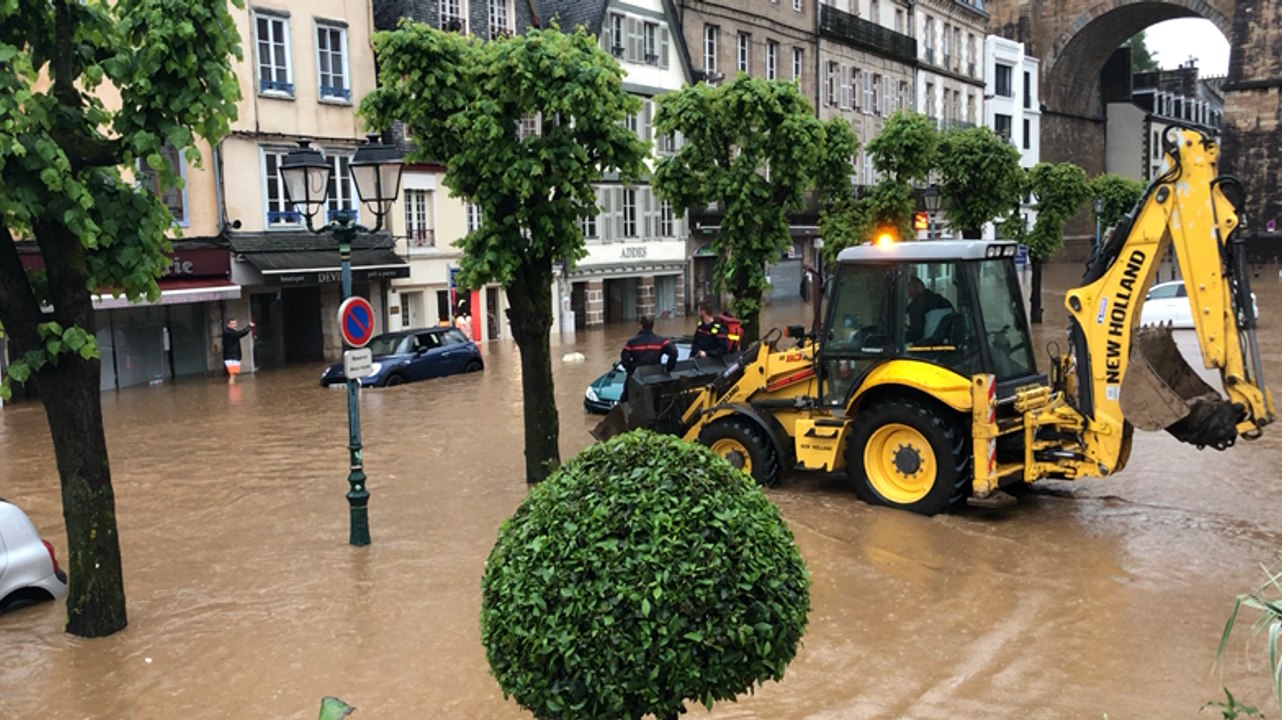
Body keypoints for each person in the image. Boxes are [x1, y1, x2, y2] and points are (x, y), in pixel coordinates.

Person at [620, 315, 678, 402]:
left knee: (626, 401)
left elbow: (624, 359)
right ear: (652, 326)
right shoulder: (661, 341)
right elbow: (674, 353)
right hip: (655, 379)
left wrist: (631, 369)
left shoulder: (632, 342)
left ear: (640, 326)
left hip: (636, 379)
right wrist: (669, 368)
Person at [905, 276, 953, 343]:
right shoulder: (944, 302)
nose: (909, 296)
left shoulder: (918, 306)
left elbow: (916, 333)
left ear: (920, 287)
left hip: (925, 348)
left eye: (910, 292)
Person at [222, 317, 254, 384]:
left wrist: (248, 328)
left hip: (234, 356)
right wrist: (249, 327)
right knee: (232, 375)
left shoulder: (231, 332)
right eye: (232, 324)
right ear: (228, 325)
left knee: (234, 374)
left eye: (235, 323)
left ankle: (232, 389)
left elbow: (240, 334)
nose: (235, 325)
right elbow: (239, 334)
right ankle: (232, 390)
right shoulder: (227, 332)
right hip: (230, 357)